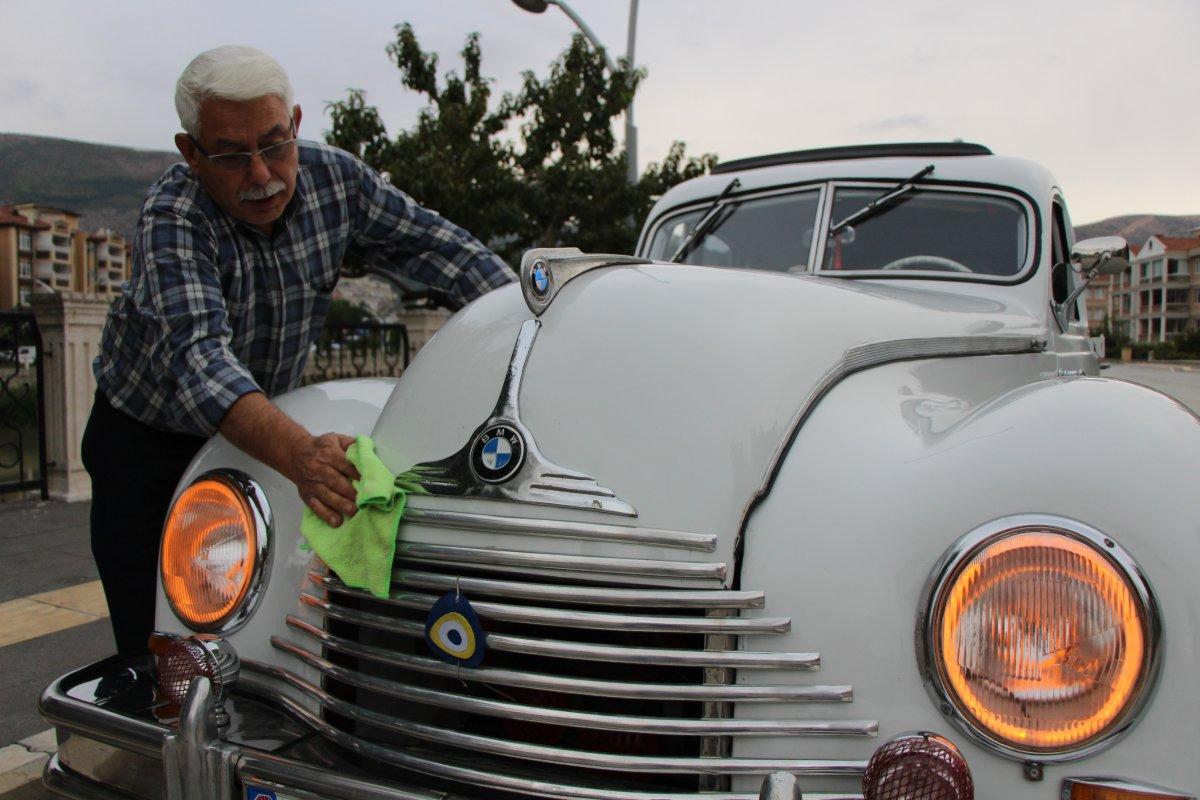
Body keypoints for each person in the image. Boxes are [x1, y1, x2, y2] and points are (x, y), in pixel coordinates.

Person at [82, 45, 514, 656]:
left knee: (270, 622)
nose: (261, 175)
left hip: (264, 429)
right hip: (148, 442)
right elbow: (201, 360)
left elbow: (448, 254)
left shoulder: (336, 178)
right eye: (231, 156)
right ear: (192, 154)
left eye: (274, 144)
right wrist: (304, 457)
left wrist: (530, 322)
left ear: (297, 125)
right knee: (161, 641)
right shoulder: (173, 215)